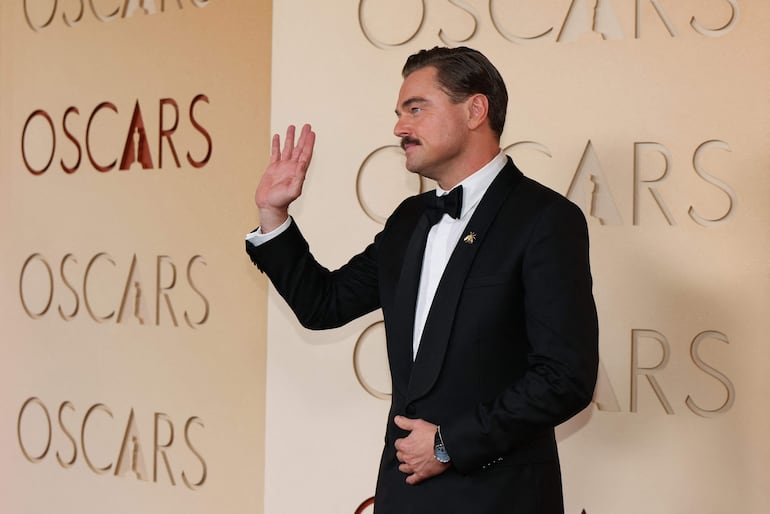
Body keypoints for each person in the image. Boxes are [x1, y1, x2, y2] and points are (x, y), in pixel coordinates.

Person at [245, 46, 599, 514]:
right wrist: (273, 214)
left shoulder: (545, 218)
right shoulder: (409, 220)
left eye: (416, 109)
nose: (399, 128)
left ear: (475, 110)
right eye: (398, 114)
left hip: (498, 498)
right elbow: (324, 305)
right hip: (405, 497)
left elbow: (565, 378)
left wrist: (449, 443)